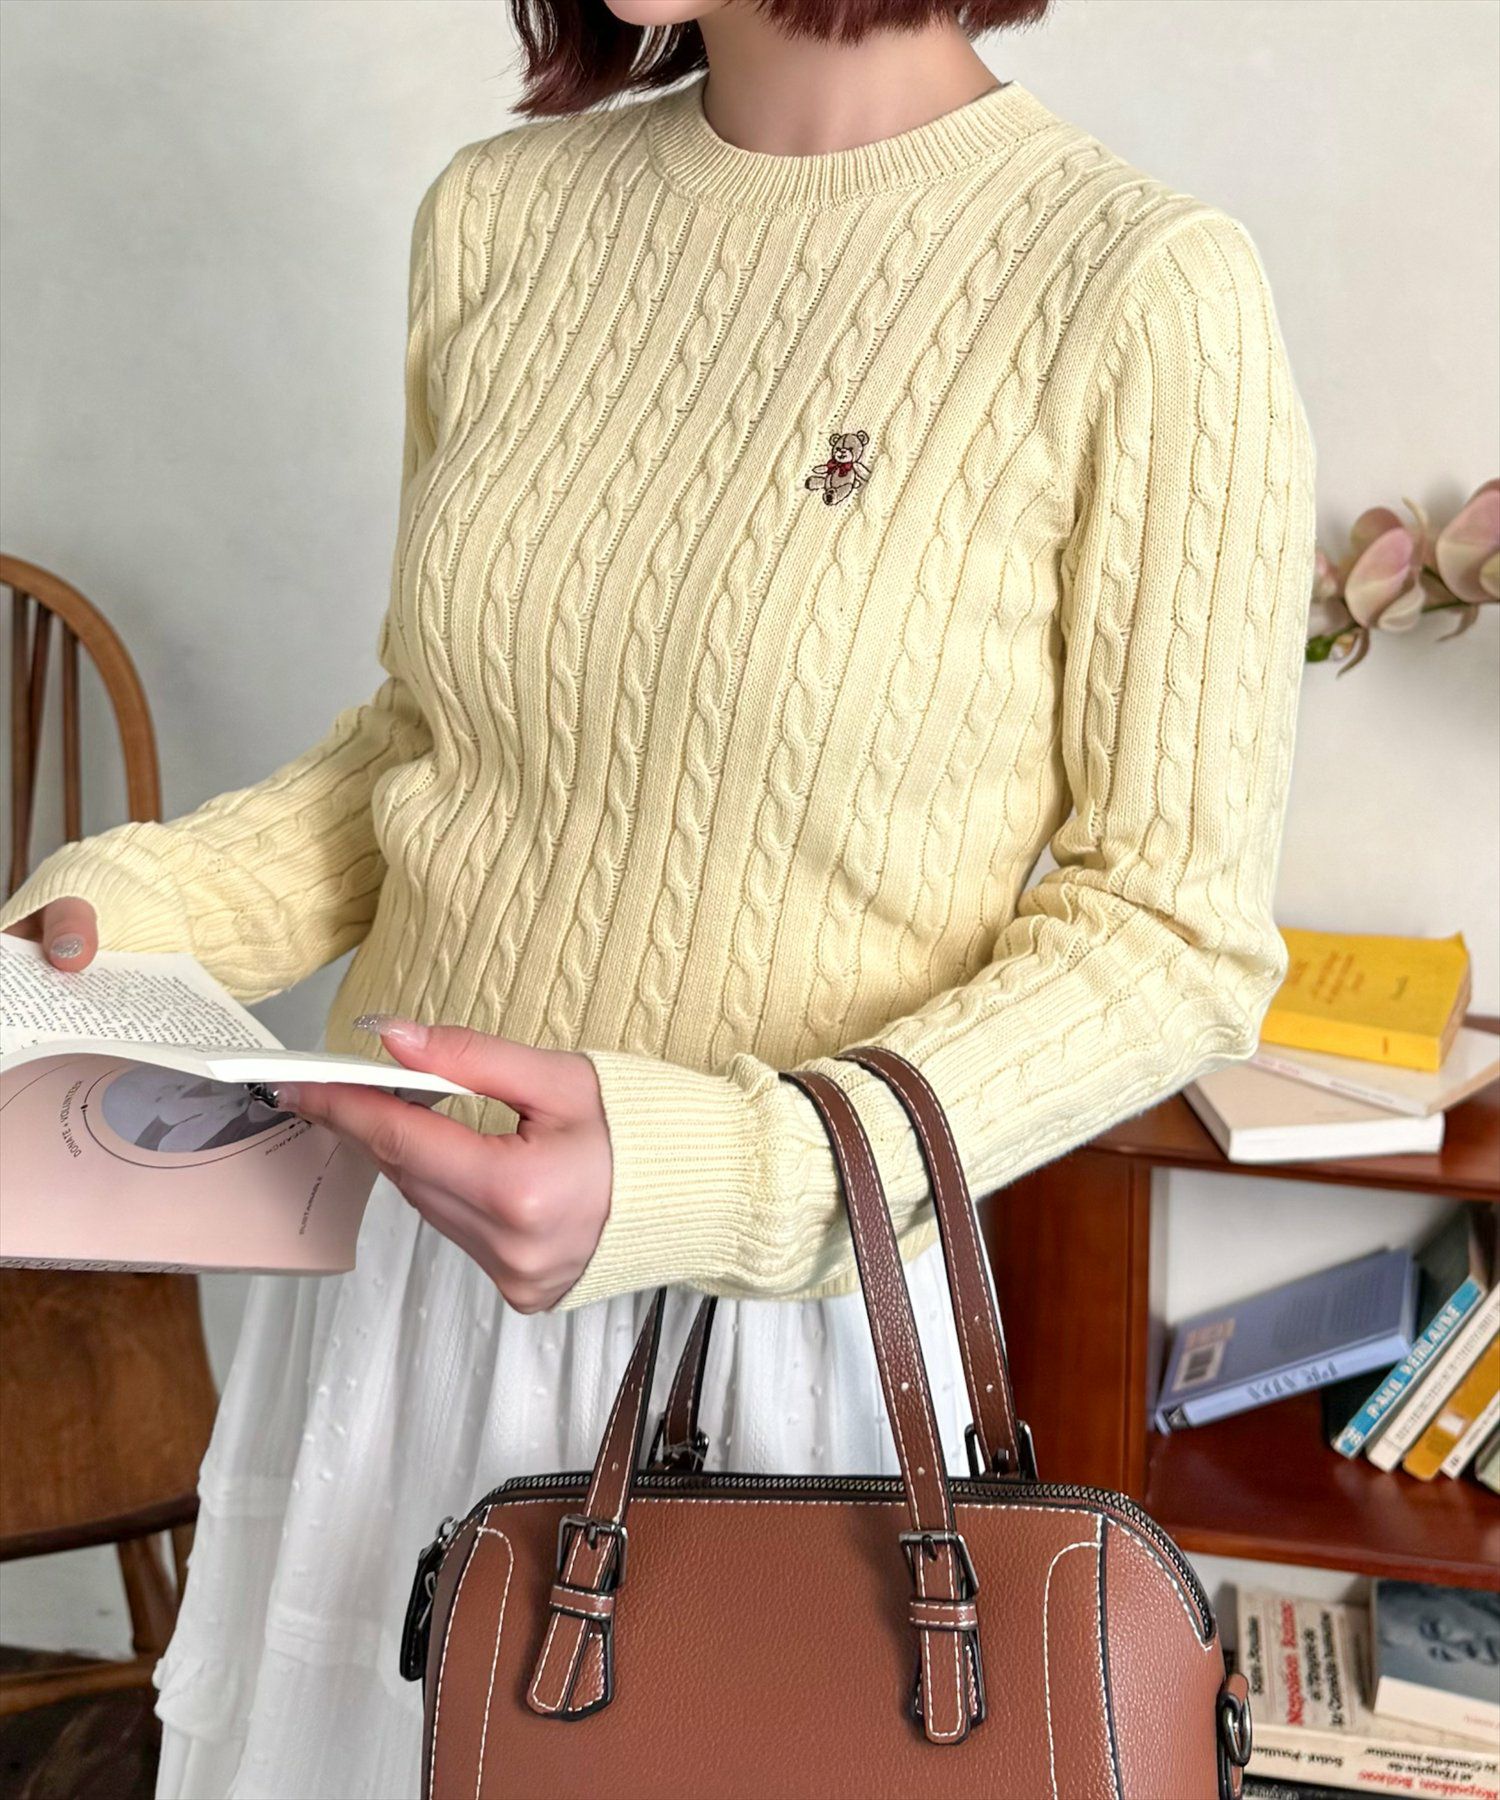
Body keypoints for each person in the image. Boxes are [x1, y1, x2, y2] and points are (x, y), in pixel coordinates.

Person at [0, 1, 1317, 1792]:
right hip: (399, 1281)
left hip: (770, 1340)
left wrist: (732, 1174)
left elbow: (1170, 931)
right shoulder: (504, 216)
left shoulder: (1141, 288)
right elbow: (436, 742)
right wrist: (141, 910)